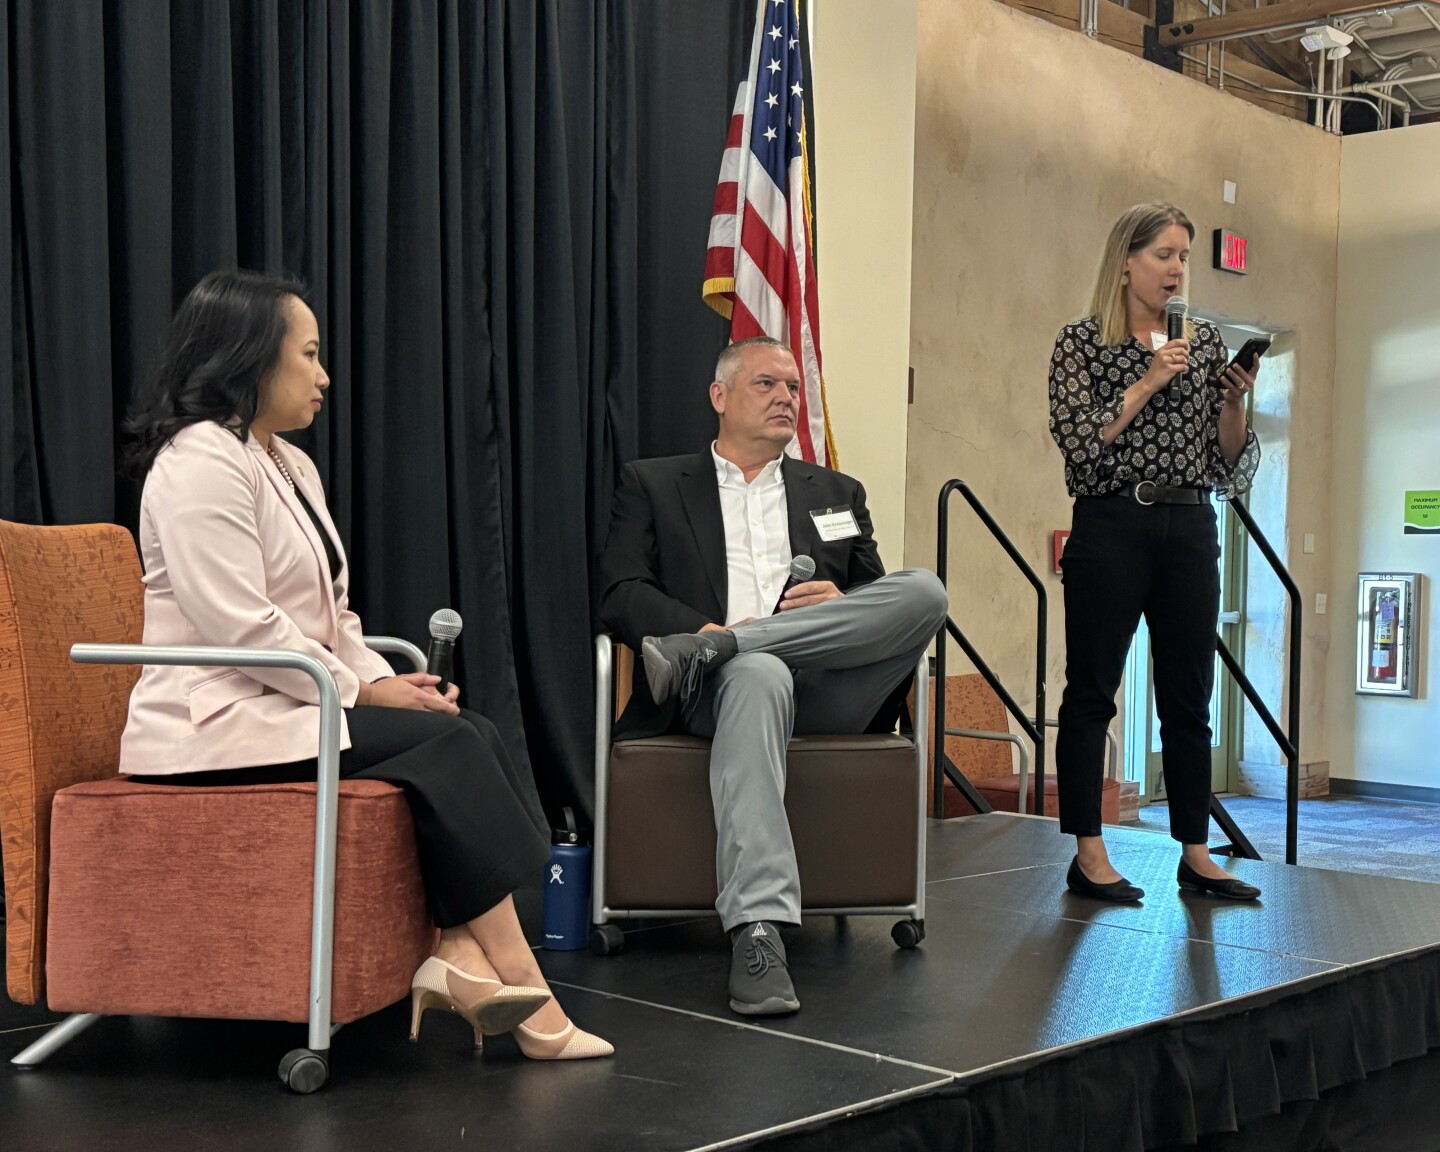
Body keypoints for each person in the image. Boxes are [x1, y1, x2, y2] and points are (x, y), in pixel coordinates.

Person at [118, 269, 611, 1060]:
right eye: (308, 356)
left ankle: (456, 949)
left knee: (467, 726)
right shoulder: (198, 461)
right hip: (208, 727)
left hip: (286, 707)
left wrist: (381, 681)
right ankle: (532, 995)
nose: (323, 375)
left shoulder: (287, 463)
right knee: (447, 745)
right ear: (250, 359)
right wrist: (359, 687)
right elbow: (242, 626)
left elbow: (330, 615)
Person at [598, 336, 948, 1016]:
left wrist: (843, 605)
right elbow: (619, 591)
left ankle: (731, 644)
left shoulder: (836, 492)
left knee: (926, 593)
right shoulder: (655, 484)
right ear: (719, 397)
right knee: (757, 675)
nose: (787, 396)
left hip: (829, 686)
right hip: (713, 695)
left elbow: (884, 606)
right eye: (767, 384)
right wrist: (700, 635)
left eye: (793, 386)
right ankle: (758, 930)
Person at [1048, 203, 1263, 903]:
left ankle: (1195, 852)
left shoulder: (1202, 346)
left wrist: (1232, 403)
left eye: (1183, 257)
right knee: (1091, 693)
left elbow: (1225, 462)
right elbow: (1081, 442)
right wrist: (1148, 380)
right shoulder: (1080, 343)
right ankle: (1088, 851)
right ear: (1125, 263)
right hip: (1113, 523)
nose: (1176, 270)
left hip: (1190, 525)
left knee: (1189, 698)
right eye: (1163, 255)